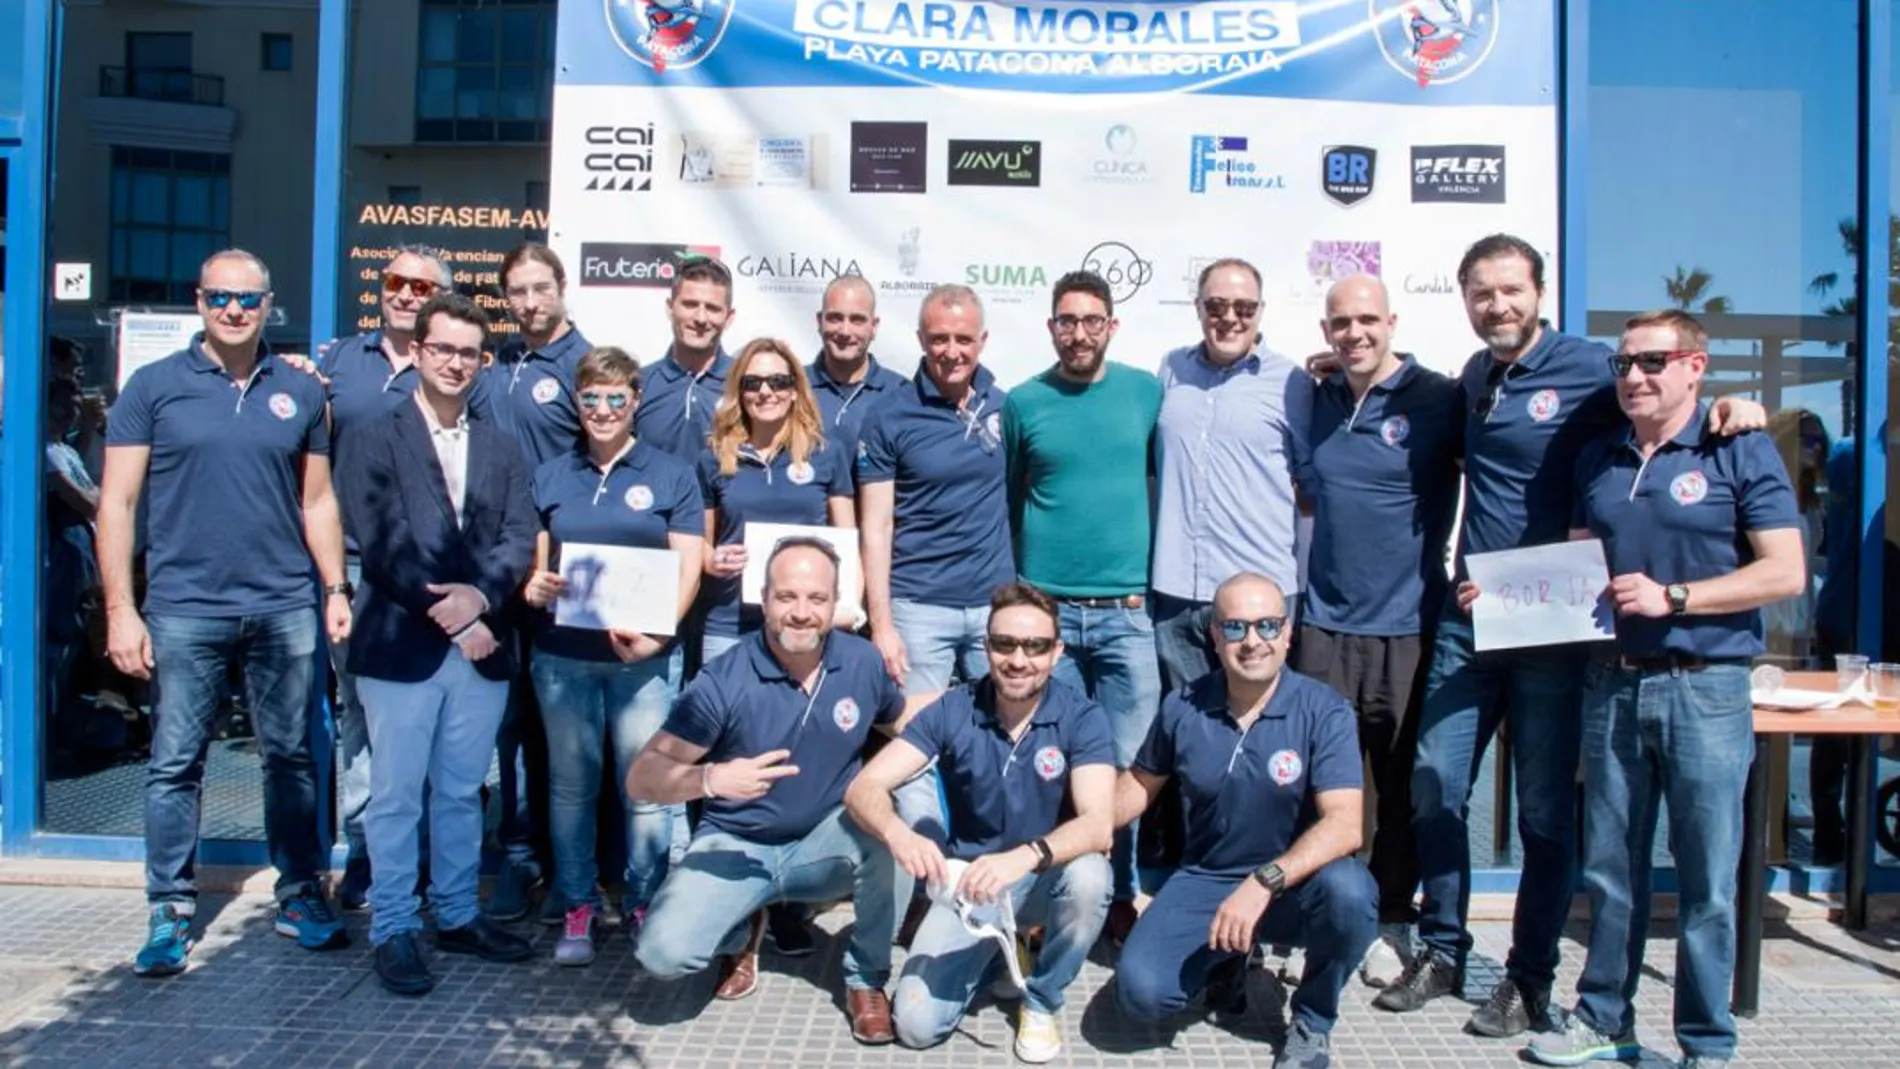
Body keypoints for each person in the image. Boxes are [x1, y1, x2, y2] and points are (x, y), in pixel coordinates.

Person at [1377, 234, 1765, 1039]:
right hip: (1472, 616)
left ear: (1539, 290)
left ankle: (1526, 978)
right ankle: (1443, 947)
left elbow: (1665, 394)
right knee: (1434, 783)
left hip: (1558, 629)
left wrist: (1734, 404)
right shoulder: (1478, 377)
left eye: (1511, 290)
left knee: (1546, 814)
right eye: (1481, 293)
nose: (1497, 306)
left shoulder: (1593, 366)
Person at [1525, 310, 1805, 1069]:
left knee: (1708, 878)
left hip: (1705, 687)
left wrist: (1674, 597)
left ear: (1695, 367)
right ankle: (1603, 1019)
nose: (1636, 377)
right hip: (1611, 684)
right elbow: (1579, 570)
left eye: (1654, 361)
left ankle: (1707, 1042)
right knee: (1610, 871)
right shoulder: (1599, 459)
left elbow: (1785, 571)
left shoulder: (1738, 447)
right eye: (1624, 364)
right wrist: (1512, 596)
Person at [98, 249, 352, 977]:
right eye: (220, 298)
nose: (234, 311)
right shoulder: (154, 387)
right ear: (198, 300)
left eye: (247, 299)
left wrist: (336, 588)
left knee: (293, 759)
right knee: (175, 762)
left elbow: (318, 500)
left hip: (281, 604)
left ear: (269, 303)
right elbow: (115, 504)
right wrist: (121, 608)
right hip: (184, 608)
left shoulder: (299, 391)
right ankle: (171, 907)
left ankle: (300, 892)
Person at [627, 538, 925, 1044]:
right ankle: (743, 927)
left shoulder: (860, 662)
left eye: (816, 598)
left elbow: (900, 722)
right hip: (738, 843)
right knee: (663, 955)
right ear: (763, 599)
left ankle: (866, 979)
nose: (802, 613)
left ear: (836, 603)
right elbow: (642, 776)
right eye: (787, 597)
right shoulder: (723, 680)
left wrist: (979, 706)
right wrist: (711, 779)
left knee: (888, 827)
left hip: (824, 842)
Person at [339, 293, 540, 995]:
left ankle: (456, 913)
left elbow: (519, 535)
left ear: (483, 362)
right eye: (442, 348)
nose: (455, 362)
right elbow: (384, 543)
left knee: (459, 791)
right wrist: (459, 616)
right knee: (394, 796)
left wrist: (482, 599)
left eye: (468, 352)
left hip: (482, 648)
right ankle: (394, 924)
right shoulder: (373, 435)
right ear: (419, 351)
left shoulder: (501, 445)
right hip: (403, 647)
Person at [1113, 572, 1376, 1069]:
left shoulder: (1325, 711)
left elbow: (1346, 826)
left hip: (1296, 886)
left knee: (1351, 894)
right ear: (1214, 637)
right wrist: (1066, 827)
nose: (1252, 641)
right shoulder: (1183, 706)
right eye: (1235, 628)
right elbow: (1135, 791)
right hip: (1206, 878)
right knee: (1141, 997)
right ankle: (1229, 959)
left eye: (1266, 626)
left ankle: (1312, 1021)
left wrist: (1264, 881)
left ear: (1288, 632)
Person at [846, 581, 1116, 1062]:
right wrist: (897, 833)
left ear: (1056, 652)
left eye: (1034, 646)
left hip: (1041, 874)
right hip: (973, 885)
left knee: (1092, 876)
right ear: (986, 647)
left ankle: (1041, 997)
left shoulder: (1082, 716)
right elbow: (864, 788)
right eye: (1004, 644)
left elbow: (1098, 824)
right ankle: (1000, 950)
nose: (1018, 659)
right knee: (914, 1026)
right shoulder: (954, 708)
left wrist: (1024, 857)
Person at [1294, 275, 1461, 986]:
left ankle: (1391, 917)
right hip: (1324, 622)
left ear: (1392, 320)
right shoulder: (1318, 395)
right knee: (1330, 782)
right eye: (1341, 322)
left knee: (1399, 785)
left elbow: (1515, 468)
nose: (1354, 333)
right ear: (1326, 330)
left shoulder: (1440, 398)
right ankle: (1333, 915)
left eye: (1367, 319)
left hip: (1408, 624)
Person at [519, 345, 705, 965]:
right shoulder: (550, 474)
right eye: (590, 398)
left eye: (615, 398)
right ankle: (578, 904)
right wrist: (535, 586)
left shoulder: (672, 474)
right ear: (577, 402)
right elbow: (536, 565)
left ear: (635, 402)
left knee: (646, 789)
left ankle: (644, 903)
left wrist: (660, 635)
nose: (602, 409)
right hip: (563, 657)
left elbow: (689, 567)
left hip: (644, 663)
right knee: (572, 787)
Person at [1001, 269, 1162, 947]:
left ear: (1112, 327)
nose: (1079, 333)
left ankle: (1120, 893)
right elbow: (1011, 499)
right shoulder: (1023, 402)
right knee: (1051, 763)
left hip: (1129, 614)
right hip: (1052, 619)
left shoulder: (1146, 393)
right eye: (1067, 320)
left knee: (1127, 768)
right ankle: (1045, 899)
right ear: (1050, 327)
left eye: (1092, 320)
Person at [316, 243, 456, 910]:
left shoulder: (456, 370)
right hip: (352, 570)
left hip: (429, 573)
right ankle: (368, 854)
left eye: (421, 285)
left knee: (429, 718)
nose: (405, 293)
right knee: (363, 721)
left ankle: (424, 856)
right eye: (395, 280)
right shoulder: (336, 364)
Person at [480, 241, 592, 922]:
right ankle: (519, 857)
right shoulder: (492, 370)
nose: (529, 302)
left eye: (540, 288)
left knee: (568, 735)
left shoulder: (585, 367)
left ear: (561, 287)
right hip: (498, 576)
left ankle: (570, 869)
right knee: (512, 727)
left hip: (563, 580)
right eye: (517, 291)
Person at [1151, 258, 1314, 696]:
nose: (1229, 318)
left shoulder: (1293, 382)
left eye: (1244, 308)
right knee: (1190, 731)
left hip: (1260, 598)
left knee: (1260, 730)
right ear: (1198, 307)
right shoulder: (1170, 369)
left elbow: (1314, 486)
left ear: (1261, 311)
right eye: (1217, 305)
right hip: (1177, 593)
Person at [859, 283, 1013, 695]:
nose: (951, 351)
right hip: (918, 609)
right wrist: (883, 624)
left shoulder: (1005, 407)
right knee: (915, 741)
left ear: (982, 341)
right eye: (938, 339)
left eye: (964, 339)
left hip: (994, 606)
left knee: (999, 738)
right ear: (920, 340)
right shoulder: (888, 415)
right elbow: (876, 527)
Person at [698, 337, 856, 667]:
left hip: (804, 620)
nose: (766, 392)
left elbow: (848, 542)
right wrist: (712, 560)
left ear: (795, 389)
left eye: (779, 382)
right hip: (730, 623)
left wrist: (849, 606)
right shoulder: (713, 458)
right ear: (739, 392)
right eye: (752, 383)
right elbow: (699, 542)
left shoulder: (826, 455)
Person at [636, 255, 736, 460]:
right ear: (670, 308)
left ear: (729, 317)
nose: (700, 318)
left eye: (712, 308)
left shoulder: (748, 386)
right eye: (690, 305)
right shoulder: (639, 384)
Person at [807, 275, 908, 462]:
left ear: (874, 327)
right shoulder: (791, 388)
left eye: (857, 320)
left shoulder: (902, 393)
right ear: (819, 321)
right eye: (835, 318)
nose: (845, 331)